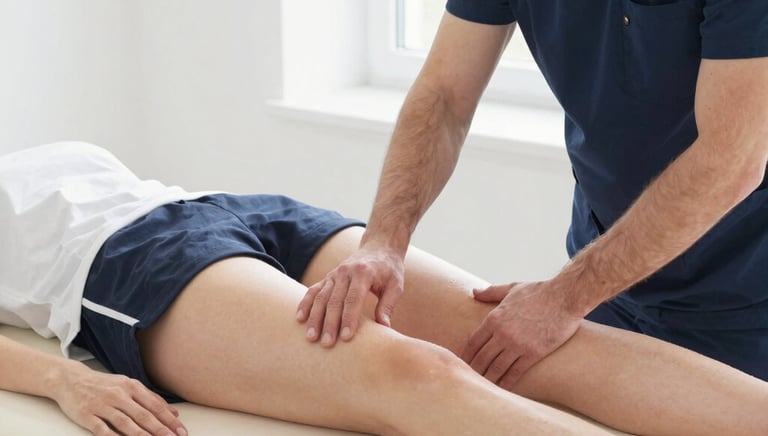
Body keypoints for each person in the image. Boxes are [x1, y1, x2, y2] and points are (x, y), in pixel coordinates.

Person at [1, 142, 768, 436]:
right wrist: (62, 378)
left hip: (242, 210)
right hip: (122, 266)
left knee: (528, 340)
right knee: (420, 376)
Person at [300, 2, 768, 387]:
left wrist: (563, 299)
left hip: (747, 297)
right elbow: (444, 95)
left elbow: (732, 160)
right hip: (610, 277)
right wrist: (384, 240)